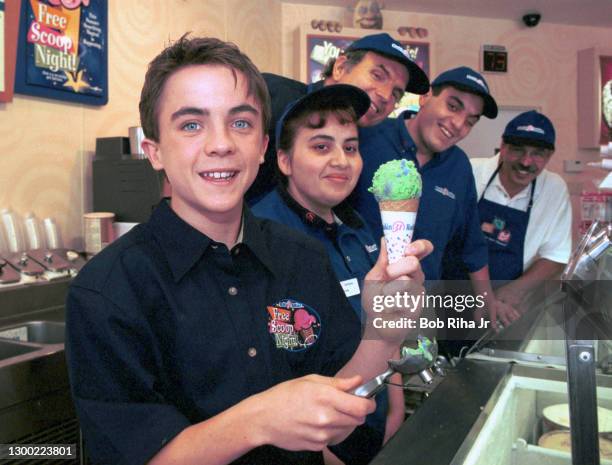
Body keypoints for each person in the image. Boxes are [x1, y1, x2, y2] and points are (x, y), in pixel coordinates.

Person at [65, 35, 432, 465]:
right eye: (191, 124)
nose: (221, 144)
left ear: (261, 147)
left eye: (240, 123)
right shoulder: (107, 291)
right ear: (154, 151)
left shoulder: (302, 257)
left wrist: (384, 330)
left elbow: (342, 401)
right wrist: (259, 419)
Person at [251, 84, 405, 449]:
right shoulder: (261, 239)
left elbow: (386, 327)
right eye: (321, 146)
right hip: (315, 443)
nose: (341, 160)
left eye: (350, 147)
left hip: (376, 424)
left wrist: (395, 412)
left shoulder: (356, 228)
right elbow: (272, 380)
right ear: (284, 160)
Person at [352, 66, 519, 328]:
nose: (458, 124)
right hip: (354, 306)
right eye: (453, 106)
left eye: (470, 121)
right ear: (425, 96)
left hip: (417, 313)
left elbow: (472, 245)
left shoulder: (459, 167)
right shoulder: (369, 137)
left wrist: (486, 302)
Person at [246, 32, 430, 204]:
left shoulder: (371, 144)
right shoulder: (270, 95)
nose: (385, 95)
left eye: (396, 94)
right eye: (377, 75)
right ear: (340, 67)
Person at [468, 110, 572, 308]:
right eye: (518, 150)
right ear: (503, 147)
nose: (525, 162)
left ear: (549, 156)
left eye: (537, 154)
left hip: (507, 302)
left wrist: (515, 291)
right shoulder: (470, 172)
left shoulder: (554, 189)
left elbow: (556, 255)